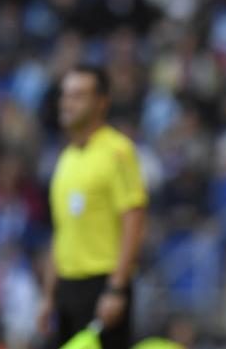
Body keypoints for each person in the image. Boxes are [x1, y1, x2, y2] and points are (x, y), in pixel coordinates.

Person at [37, 65, 148, 349]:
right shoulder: (65, 159)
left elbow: (134, 219)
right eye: (65, 95)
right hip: (66, 288)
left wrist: (117, 288)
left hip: (101, 286)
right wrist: (49, 296)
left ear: (101, 102)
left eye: (78, 95)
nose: (67, 103)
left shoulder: (118, 151)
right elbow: (61, 232)